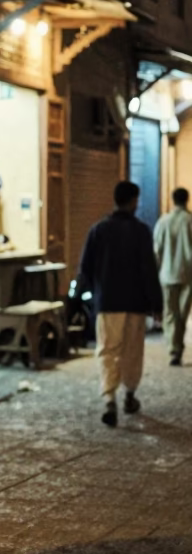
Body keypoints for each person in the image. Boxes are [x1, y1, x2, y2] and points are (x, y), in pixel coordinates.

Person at [78, 180, 162, 427]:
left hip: (107, 303)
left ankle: (109, 399)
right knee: (132, 351)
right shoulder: (141, 231)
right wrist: (156, 304)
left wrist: (86, 298)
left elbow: (85, 269)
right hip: (135, 303)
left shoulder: (98, 230)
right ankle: (130, 395)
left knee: (108, 349)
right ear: (133, 201)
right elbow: (149, 271)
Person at [154, 187, 192, 366]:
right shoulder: (190, 221)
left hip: (167, 274)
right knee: (182, 315)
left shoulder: (163, 222)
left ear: (172, 200)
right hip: (188, 275)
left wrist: (156, 271)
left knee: (170, 313)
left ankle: (173, 349)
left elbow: (156, 250)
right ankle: (178, 347)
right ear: (187, 200)